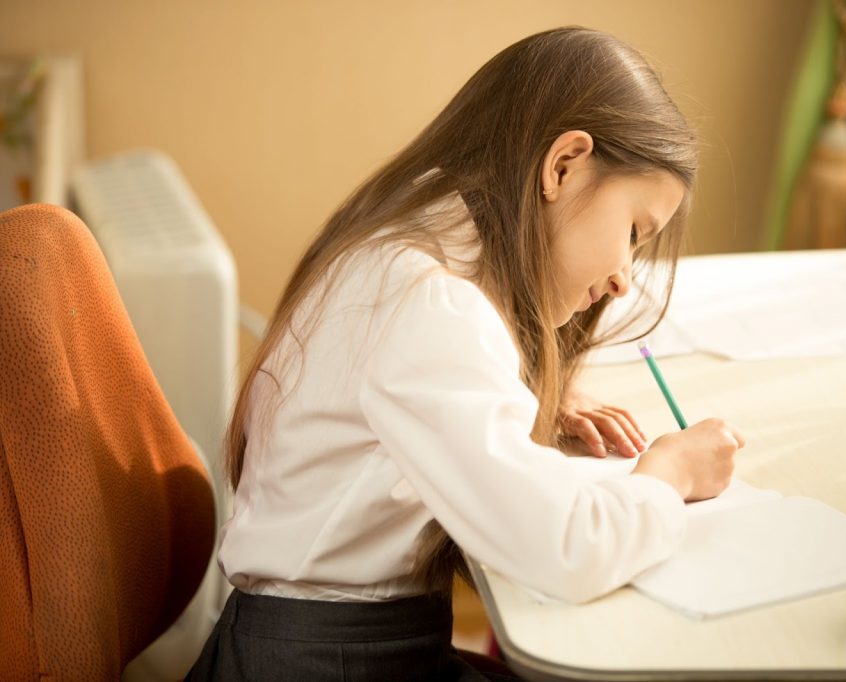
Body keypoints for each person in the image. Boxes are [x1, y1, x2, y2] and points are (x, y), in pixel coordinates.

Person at [187, 26, 745, 681]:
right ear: (563, 165)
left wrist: (524, 391)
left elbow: (426, 378)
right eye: (633, 231)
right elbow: (567, 550)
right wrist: (670, 472)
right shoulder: (430, 304)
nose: (625, 276)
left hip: (303, 647)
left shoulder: (410, 244)